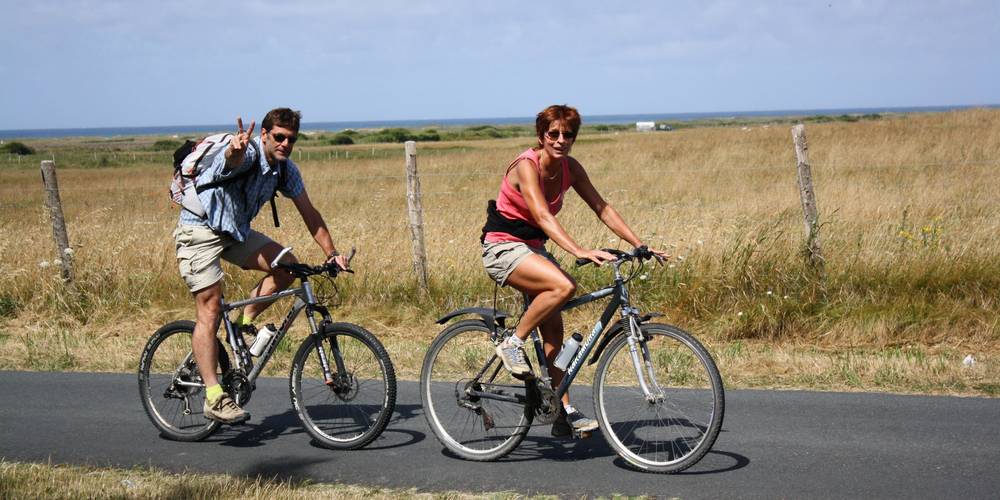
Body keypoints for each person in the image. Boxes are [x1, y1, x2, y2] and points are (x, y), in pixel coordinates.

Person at [480, 104, 668, 437]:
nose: (561, 140)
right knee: (563, 287)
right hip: (502, 247)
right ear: (541, 136)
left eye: (568, 134)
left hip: (532, 250)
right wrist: (579, 250)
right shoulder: (527, 165)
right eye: (553, 134)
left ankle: (561, 411)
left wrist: (640, 244)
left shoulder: (571, 168)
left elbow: (602, 208)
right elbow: (541, 215)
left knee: (554, 331)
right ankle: (512, 342)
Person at [174, 108, 349, 424]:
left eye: (291, 139)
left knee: (288, 266)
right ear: (264, 135)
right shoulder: (247, 153)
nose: (285, 143)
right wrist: (233, 153)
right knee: (210, 308)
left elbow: (310, 213)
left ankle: (242, 324)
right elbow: (229, 163)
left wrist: (332, 252)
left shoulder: (286, 170)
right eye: (279, 137)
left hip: (235, 231)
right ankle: (214, 397)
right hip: (199, 229)